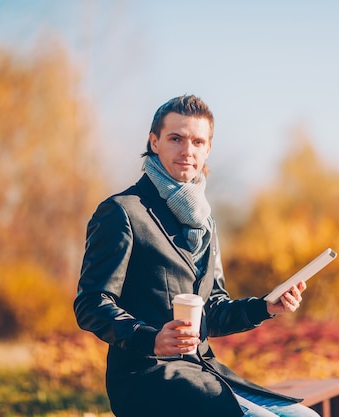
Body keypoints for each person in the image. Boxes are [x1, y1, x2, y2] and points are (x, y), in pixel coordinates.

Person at [73, 94, 320, 417]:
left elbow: (212, 311)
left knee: (306, 416)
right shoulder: (122, 212)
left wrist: (265, 306)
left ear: (207, 150)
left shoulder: (205, 221)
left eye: (197, 141)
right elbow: (91, 304)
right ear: (154, 142)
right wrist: (151, 339)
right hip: (147, 379)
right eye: (176, 138)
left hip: (203, 373)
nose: (187, 151)